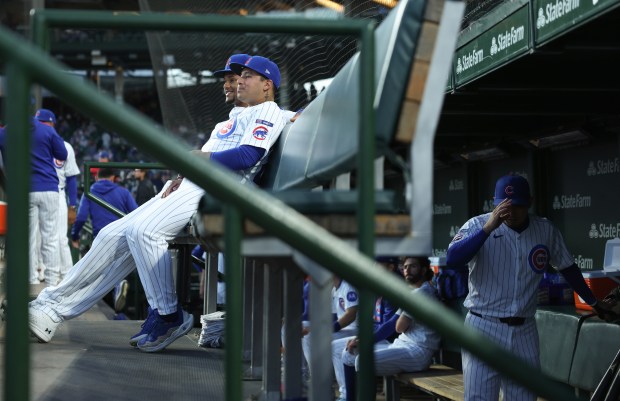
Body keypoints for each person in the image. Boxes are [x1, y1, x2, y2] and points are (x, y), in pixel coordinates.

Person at [29, 54, 287, 353]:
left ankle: (168, 314)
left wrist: (201, 159)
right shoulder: (230, 120)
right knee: (111, 234)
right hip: (194, 184)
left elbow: (248, 156)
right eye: (236, 76)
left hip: (218, 190)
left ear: (267, 85)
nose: (238, 80)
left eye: (247, 76)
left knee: (144, 232)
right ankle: (51, 308)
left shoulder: (267, 110)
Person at [446, 174, 615, 401]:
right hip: (482, 325)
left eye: (517, 205)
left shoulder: (544, 230)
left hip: (524, 329)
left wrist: (593, 301)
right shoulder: (477, 225)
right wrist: (487, 229)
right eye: (504, 206)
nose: (511, 212)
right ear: (495, 204)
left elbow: (568, 268)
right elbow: (453, 260)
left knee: (524, 398)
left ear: (530, 202)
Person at [0, 109, 68, 285]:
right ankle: (52, 283)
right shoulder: (47, 130)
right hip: (49, 188)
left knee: (27, 238)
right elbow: (62, 154)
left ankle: (30, 281)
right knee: (50, 238)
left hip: (24, 190)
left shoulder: (6, 131)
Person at [331, 257, 402, 401]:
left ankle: (349, 396)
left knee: (349, 354)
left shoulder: (394, 288)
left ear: (390, 267)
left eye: (378, 265)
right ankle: (348, 395)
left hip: (390, 340)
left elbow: (389, 326)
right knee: (338, 348)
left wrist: (365, 340)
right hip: (377, 336)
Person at [70, 167, 138, 312]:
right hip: (122, 237)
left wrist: (74, 236)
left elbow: (81, 217)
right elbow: (136, 213)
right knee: (117, 270)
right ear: (113, 177)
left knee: (102, 271)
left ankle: (110, 297)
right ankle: (118, 302)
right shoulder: (123, 192)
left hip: (100, 238)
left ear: (96, 178)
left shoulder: (90, 192)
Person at [302, 275, 358, 394]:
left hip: (357, 330)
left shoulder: (348, 285)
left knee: (329, 343)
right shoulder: (334, 288)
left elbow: (351, 314)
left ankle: (345, 392)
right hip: (345, 330)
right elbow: (332, 317)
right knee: (308, 336)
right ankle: (319, 380)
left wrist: (328, 329)